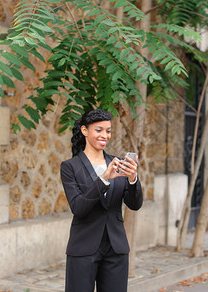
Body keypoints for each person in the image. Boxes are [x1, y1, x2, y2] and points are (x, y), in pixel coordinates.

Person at [60, 109, 143, 292]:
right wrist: (104, 178)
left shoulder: (119, 163)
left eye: (108, 130)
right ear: (84, 130)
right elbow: (78, 207)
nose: (105, 135)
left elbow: (135, 204)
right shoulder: (70, 167)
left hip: (116, 248)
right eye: (99, 130)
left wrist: (132, 179)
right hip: (83, 247)